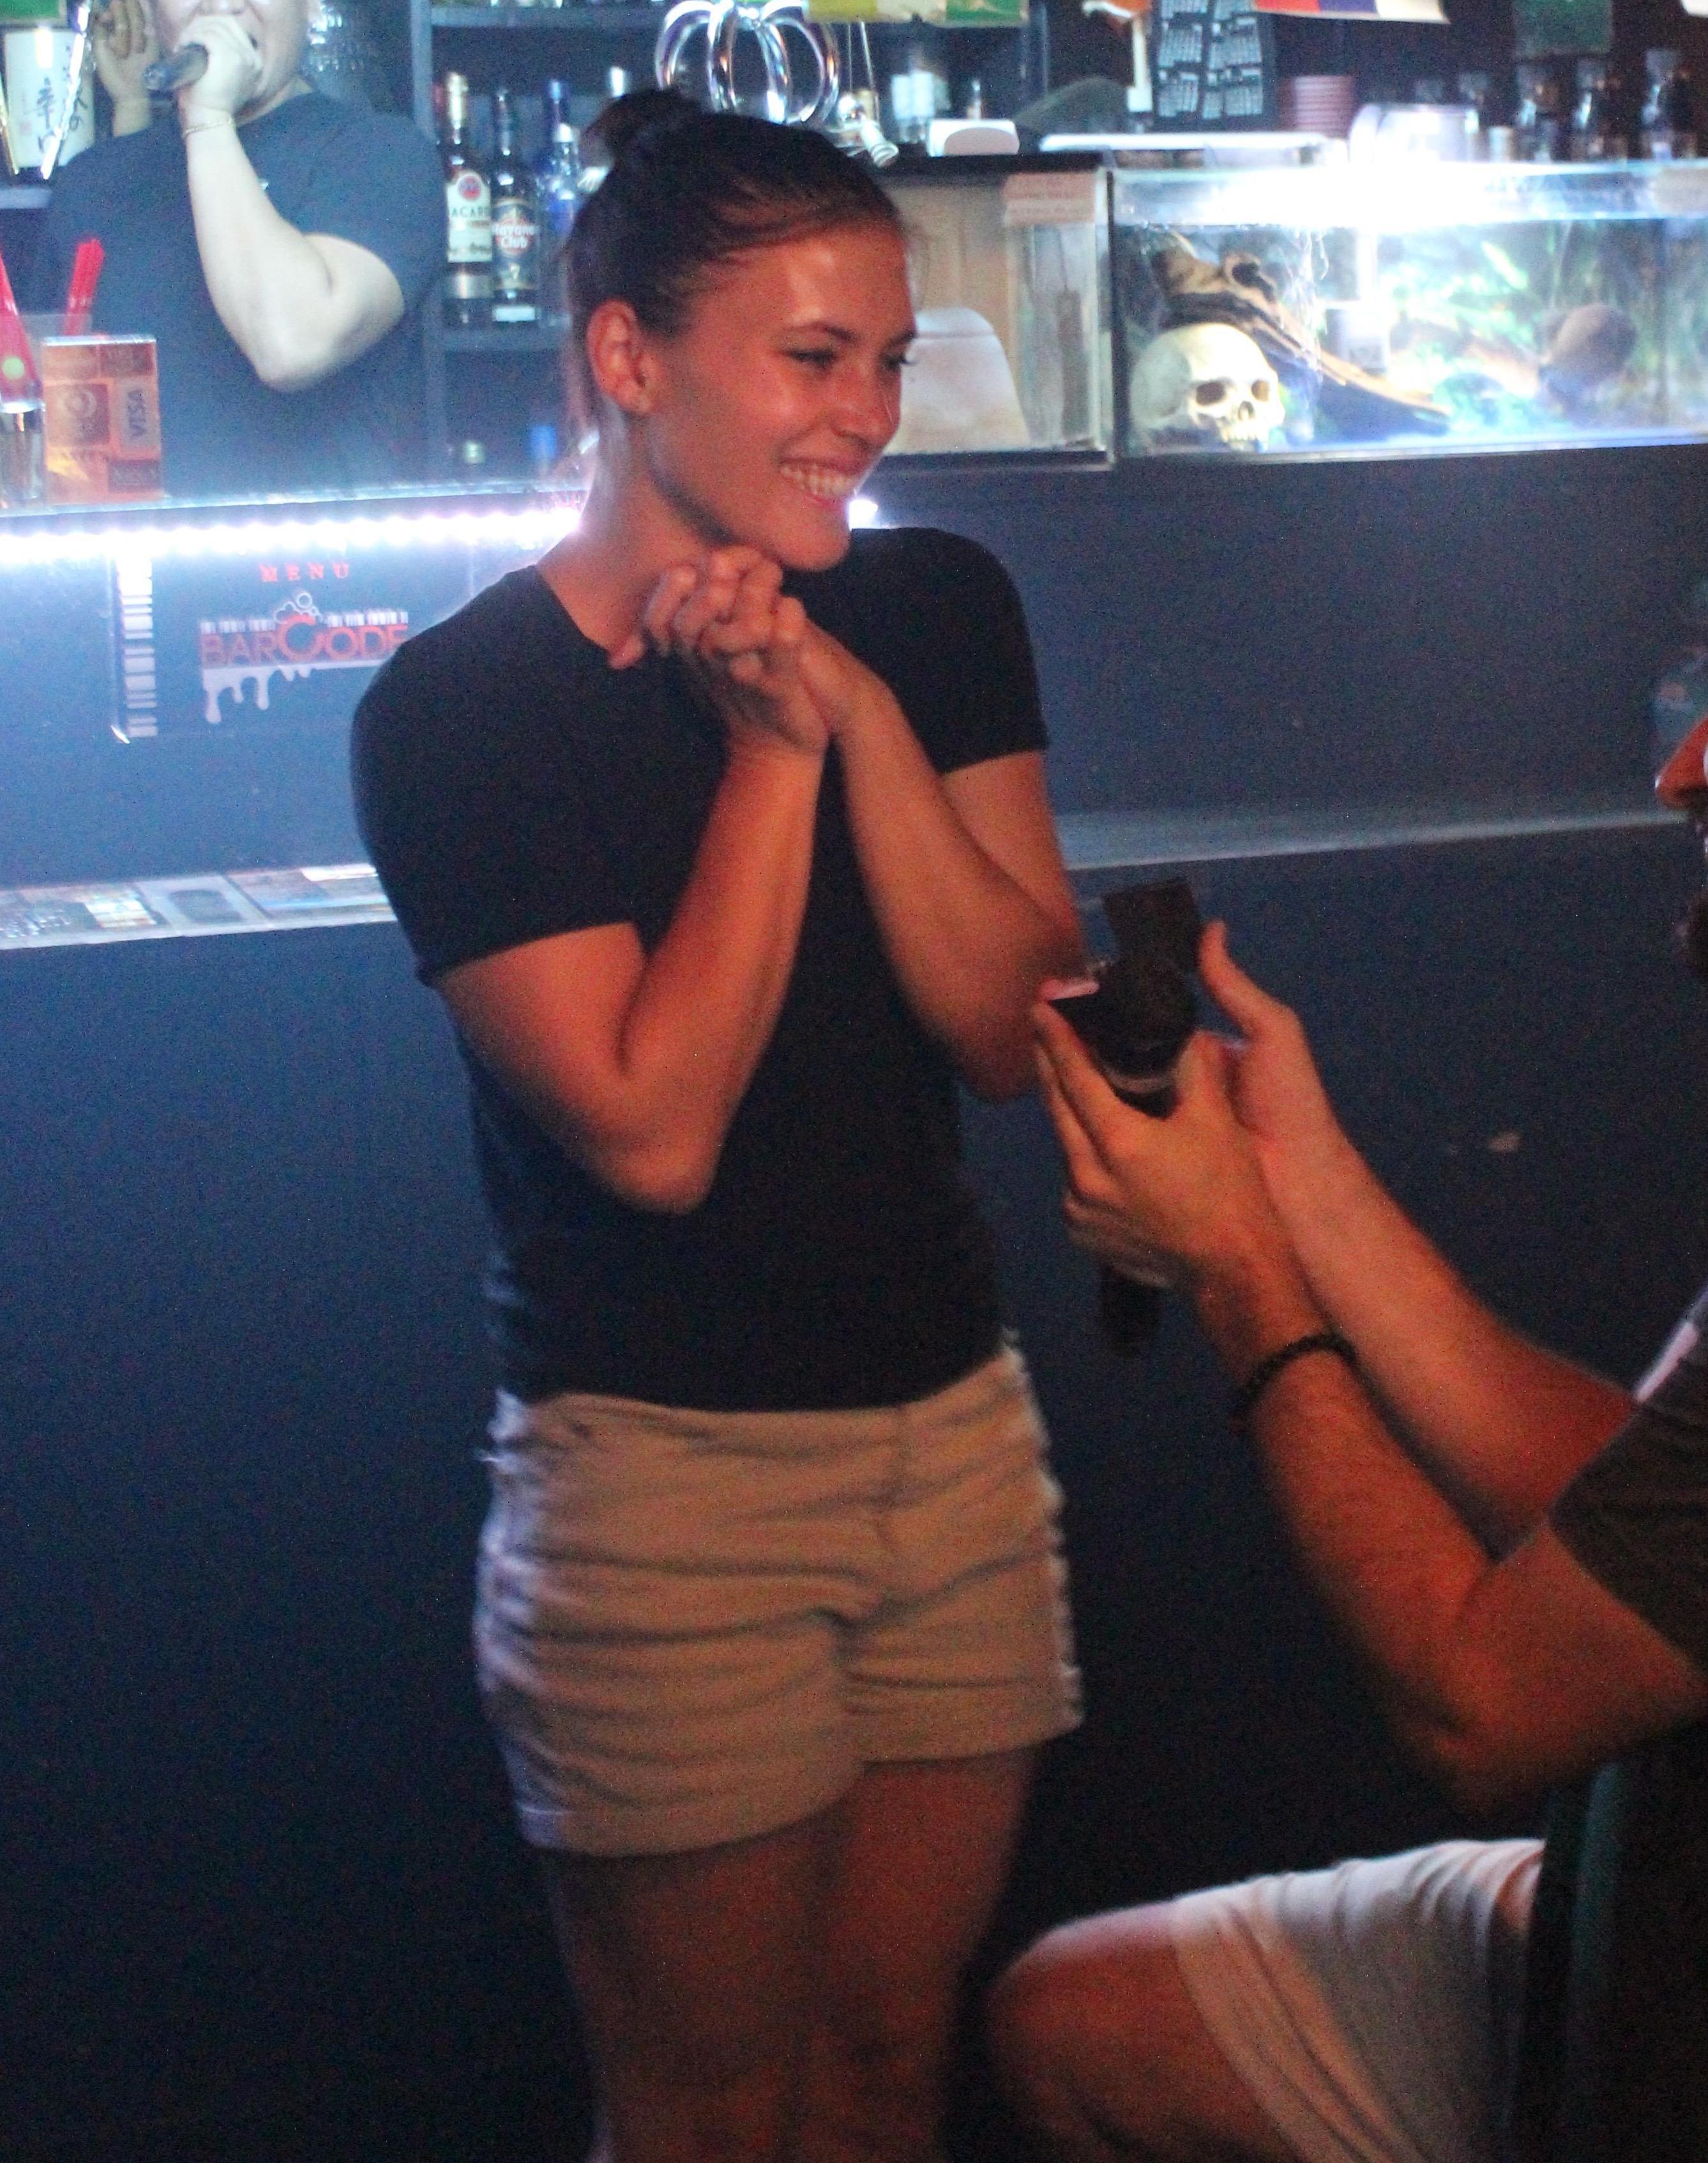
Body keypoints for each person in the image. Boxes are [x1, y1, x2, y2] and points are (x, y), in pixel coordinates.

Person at [995, 473, 1708, 2163]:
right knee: (1075, 2023)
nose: (1683, 766)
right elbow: (1640, 1499)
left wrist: (1237, 1269)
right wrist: (1298, 1184)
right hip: (1676, 1891)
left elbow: (1472, 1701)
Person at [351, 98, 1086, 2163]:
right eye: (812, 356)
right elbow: (654, 1132)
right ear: (627, 355)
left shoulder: (932, 608)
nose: (866, 414)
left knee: (884, 2070)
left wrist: (850, 705)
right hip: (664, 1488)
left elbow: (1006, 1028)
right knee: (706, 2114)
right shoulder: (463, 706)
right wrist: (772, 757)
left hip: (954, 1438)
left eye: (886, 358)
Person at [25, 0, 441, 496]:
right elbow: (41, 394)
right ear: (153, 14)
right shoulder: (94, 182)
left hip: (306, 542)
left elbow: (291, 345)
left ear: (310, 7)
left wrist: (207, 119)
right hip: (133, 543)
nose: (221, 7)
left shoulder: (380, 153)